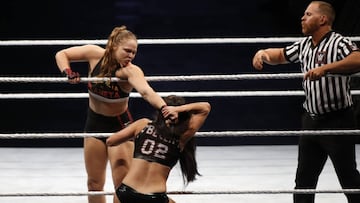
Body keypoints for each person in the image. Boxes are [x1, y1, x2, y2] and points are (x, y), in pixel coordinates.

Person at [252, 1, 360, 202]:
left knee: (349, 179)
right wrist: (263, 54)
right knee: (303, 181)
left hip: (337, 121)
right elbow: (281, 55)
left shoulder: (338, 42)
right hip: (311, 122)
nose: (302, 18)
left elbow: (358, 59)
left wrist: (326, 68)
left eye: (308, 14)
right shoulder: (304, 45)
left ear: (322, 19)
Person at [55, 26, 177, 203]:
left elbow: (146, 91)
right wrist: (67, 72)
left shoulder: (131, 71)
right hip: (94, 124)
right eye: (127, 51)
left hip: (119, 127)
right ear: (113, 47)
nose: (131, 56)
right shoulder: (94, 54)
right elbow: (61, 54)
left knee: (121, 186)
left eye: (134, 52)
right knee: (94, 184)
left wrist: (165, 108)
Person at [106, 95, 211, 203]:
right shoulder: (182, 137)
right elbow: (205, 107)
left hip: (125, 193)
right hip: (155, 197)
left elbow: (110, 141)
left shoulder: (142, 124)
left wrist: (139, 139)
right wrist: (177, 110)